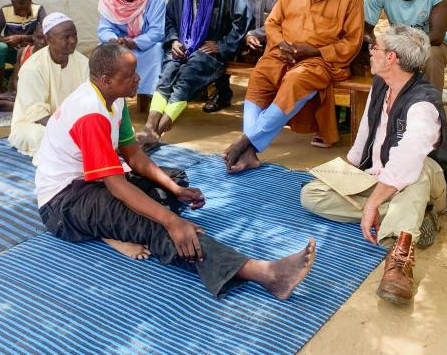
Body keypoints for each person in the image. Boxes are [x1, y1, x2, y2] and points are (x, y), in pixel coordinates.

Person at [35, 42, 316, 299]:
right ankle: (265, 274)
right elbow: (117, 186)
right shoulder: (91, 114)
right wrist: (172, 222)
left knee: (173, 179)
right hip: (64, 205)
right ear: (107, 80)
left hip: (94, 184)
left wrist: (175, 190)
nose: (138, 79)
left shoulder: (113, 98)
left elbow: (133, 154)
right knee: (160, 224)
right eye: (130, 75)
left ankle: (122, 228)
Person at [300, 25, 447, 305]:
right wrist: (346, 174)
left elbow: (405, 164)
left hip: (429, 185)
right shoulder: (381, 83)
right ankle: (411, 218)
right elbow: (365, 133)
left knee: (419, 167)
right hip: (383, 178)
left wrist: (370, 204)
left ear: (391, 58)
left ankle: (399, 257)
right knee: (311, 194)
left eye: (375, 48)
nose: (371, 53)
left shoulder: (423, 103)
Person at [223, 0, 364, 172]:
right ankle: (250, 148)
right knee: (259, 76)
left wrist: (314, 51)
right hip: (282, 52)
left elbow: (351, 43)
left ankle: (247, 142)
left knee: (295, 81)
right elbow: (273, 23)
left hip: (319, 61)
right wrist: (282, 45)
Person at [136, 0, 250, 147]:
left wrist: (223, 45)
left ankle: (158, 132)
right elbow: (169, 19)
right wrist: (174, 40)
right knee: (166, 74)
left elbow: (243, 19)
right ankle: (149, 127)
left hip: (210, 53)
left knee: (186, 78)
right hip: (184, 46)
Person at [204, 0, 288, 113]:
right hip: (243, 37)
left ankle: (275, 102)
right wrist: (243, 37)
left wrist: (254, 34)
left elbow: (282, 21)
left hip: (274, 37)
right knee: (217, 48)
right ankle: (222, 94)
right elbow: (230, 21)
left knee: (283, 51)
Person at [364, 0, 447, 90]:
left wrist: (398, 45)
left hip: (431, 44)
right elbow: (366, 31)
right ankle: (386, 104)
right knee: (379, 57)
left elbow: (437, 37)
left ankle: (432, 105)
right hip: (398, 44)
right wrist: (376, 48)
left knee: (432, 58)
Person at [8, 13, 89, 156]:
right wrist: (68, 130)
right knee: (43, 136)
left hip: (75, 126)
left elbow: (90, 101)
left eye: (74, 35)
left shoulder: (84, 63)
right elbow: (36, 115)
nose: (72, 41)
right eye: (66, 37)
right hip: (34, 125)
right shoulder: (33, 68)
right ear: (48, 39)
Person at [97, 0, 165, 110]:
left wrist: (133, 43)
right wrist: (114, 41)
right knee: (101, 52)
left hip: (145, 46)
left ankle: (155, 105)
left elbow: (157, 31)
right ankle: (107, 104)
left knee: (157, 50)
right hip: (119, 47)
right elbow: (104, 29)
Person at [0, 0, 46, 92]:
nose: (22, 13)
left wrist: (21, 38)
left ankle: (32, 88)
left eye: (25, 9)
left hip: (31, 50)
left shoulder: (38, 10)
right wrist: (9, 41)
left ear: (31, 0)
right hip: (12, 51)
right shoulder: (5, 10)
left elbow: (46, 34)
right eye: (18, 10)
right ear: (12, 3)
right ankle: (1, 88)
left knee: (40, 47)